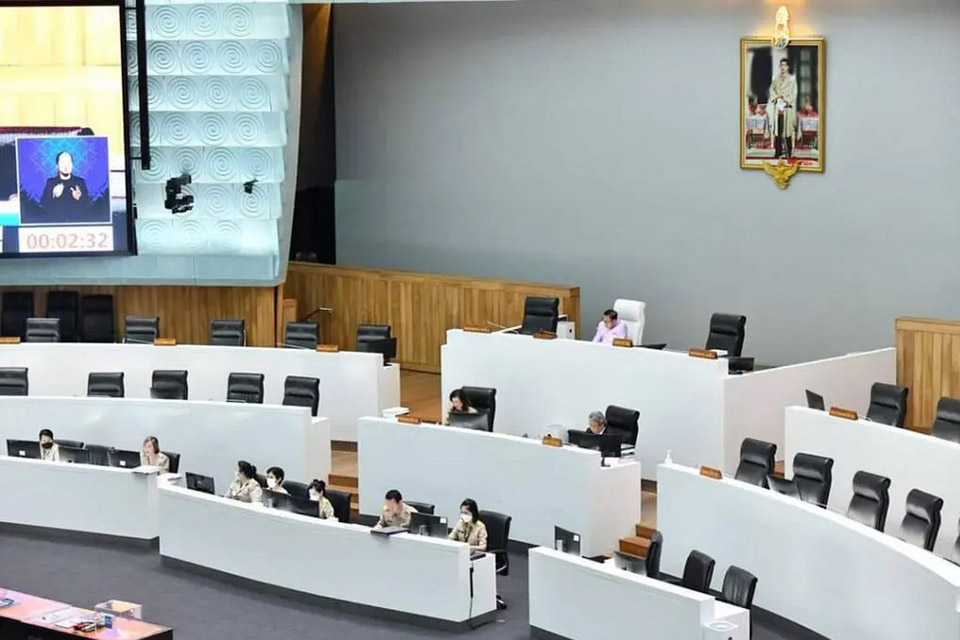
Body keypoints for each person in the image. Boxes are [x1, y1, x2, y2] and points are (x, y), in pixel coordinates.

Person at [39, 151, 90, 216]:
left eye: (68, 162)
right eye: (63, 162)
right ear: (57, 165)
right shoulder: (51, 183)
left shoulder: (80, 182)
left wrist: (79, 199)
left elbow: (88, 207)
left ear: (72, 164)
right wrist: (54, 196)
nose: (66, 166)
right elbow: (43, 207)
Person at [767, 58, 798, 159]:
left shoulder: (792, 79)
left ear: (788, 67)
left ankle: (788, 152)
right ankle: (778, 152)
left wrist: (786, 99)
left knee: (787, 131)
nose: (783, 67)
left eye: (784, 65)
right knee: (778, 131)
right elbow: (771, 90)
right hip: (778, 108)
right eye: (781, 65)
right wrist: (777, 97)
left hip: (787, 108)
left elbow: (794, 93)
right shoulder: (775, 78)